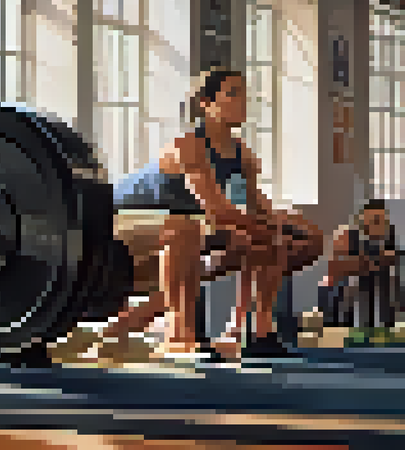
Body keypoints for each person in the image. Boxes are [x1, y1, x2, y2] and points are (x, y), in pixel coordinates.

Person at [103, 67, 321, 362]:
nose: (242, 101)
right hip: (116, 224)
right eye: (232, 93)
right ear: (206, 103)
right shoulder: (189, 146)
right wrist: (268, 225)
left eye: (244, 94)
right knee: (186, 228)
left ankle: (254, 332)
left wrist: (292, 229)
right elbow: (215, 210)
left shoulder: (243, 154)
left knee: (271, 240)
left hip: (183, 229)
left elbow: (259, 210)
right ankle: (179, 336)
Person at [319, 200, 399, 328]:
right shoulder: (352, 239)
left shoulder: (389, 242)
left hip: (381, 309)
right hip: (354, 309)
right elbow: (338, 267)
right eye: (373, 220)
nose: (376, 225)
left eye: (380, 221)